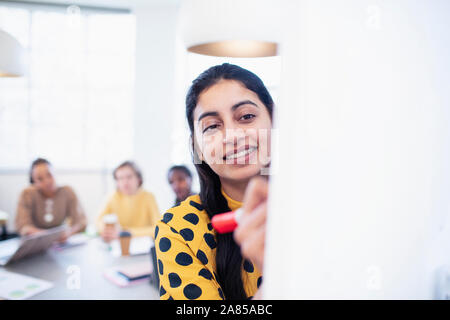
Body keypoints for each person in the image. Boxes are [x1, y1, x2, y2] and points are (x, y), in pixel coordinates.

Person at [155, 63, 272, 300]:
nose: (232, 136)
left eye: (247, 116)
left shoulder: (318, 205)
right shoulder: (177, 228)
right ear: (196, 148)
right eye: (211, 126)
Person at [15, 158, 87, 242]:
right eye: (40, 179)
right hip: (36, 242)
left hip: (61, 241)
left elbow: (81, 222)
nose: (47, 181)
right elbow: (23, 226)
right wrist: (46, 237)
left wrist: (68, 233)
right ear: (33, 182)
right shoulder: (27, 194)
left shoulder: (67, 191)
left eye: (49, 175)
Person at [96, 161, 160, 241]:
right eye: (120, 178)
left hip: (143, 245)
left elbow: (158, 229)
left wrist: (126, 233)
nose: (125, 182)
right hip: (118, 244)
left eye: (129, 177)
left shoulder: (149, 197)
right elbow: (99, 221)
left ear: (139, 179)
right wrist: (105, 230)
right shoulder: (112, 197)